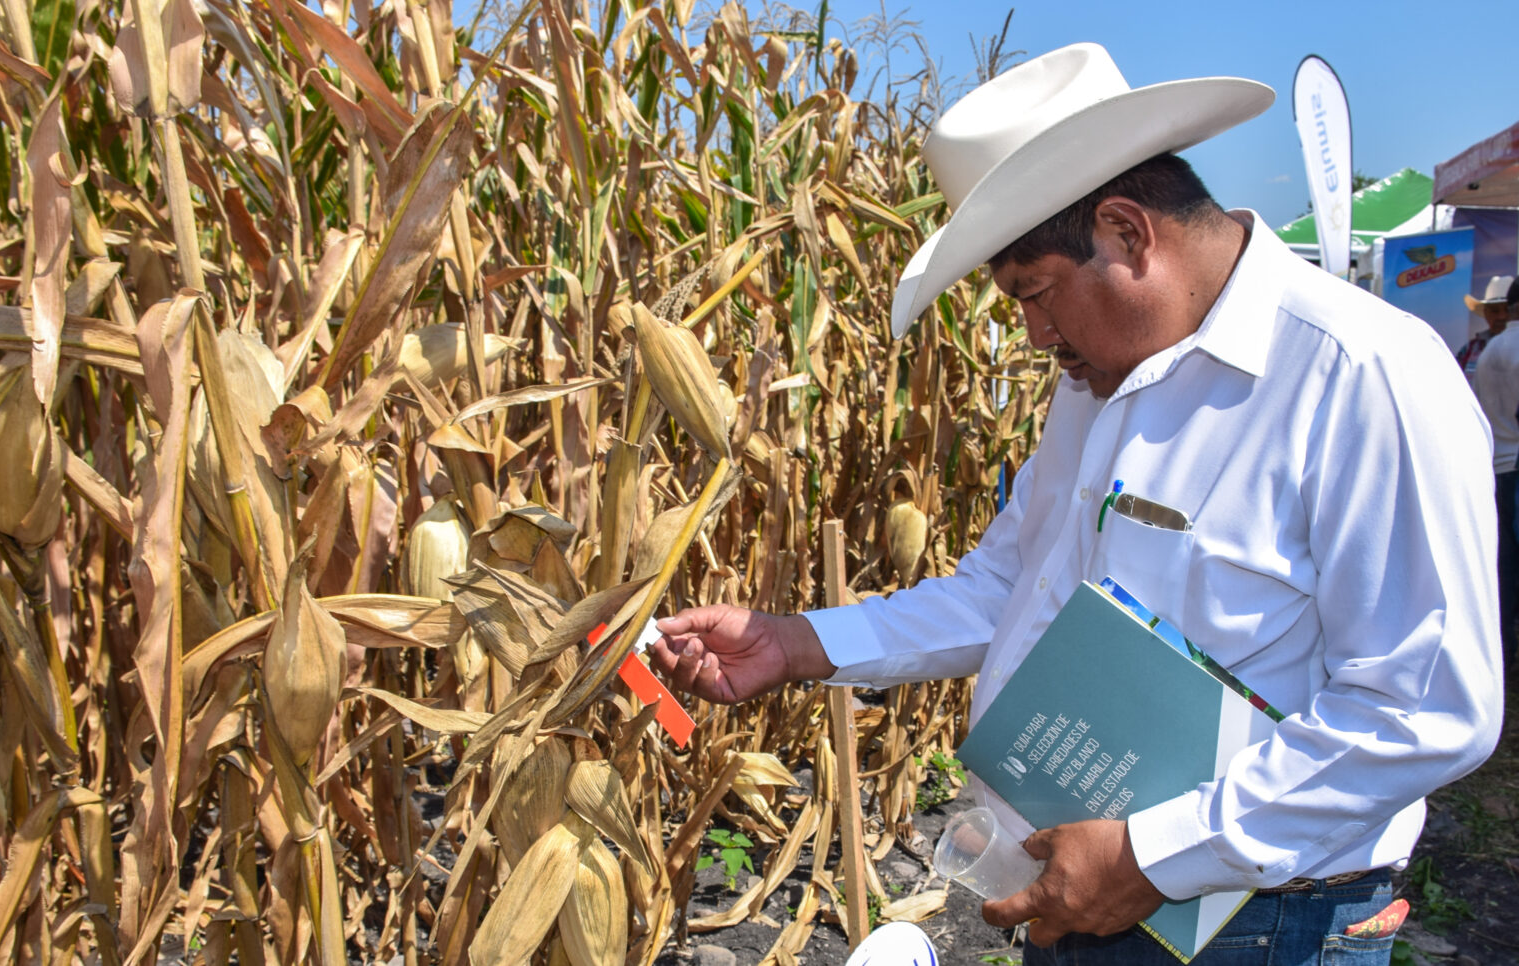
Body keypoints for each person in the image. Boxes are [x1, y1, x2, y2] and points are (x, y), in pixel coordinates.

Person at [650, 43, 1503, 964]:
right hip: (1077, 887)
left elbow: (1426, 709)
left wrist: (1153, 857)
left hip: (1254, 925)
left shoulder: (1362, 378)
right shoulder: (1099, 383)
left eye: (1037, 296)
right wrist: (800, 643)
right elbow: (1015, 584)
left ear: (1129, 232)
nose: (1033, 336)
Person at [1471, 276, 1519, 667]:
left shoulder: (1488, 352)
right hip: (1514, 464)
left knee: (1505, 568)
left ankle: (1503, 650)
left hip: (1498, 463)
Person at [1455, 274, 1516, 382]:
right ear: (1486, 313)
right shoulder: (1469, 350)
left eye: (1506, 310)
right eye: (1495, 310)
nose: (1501, 316)